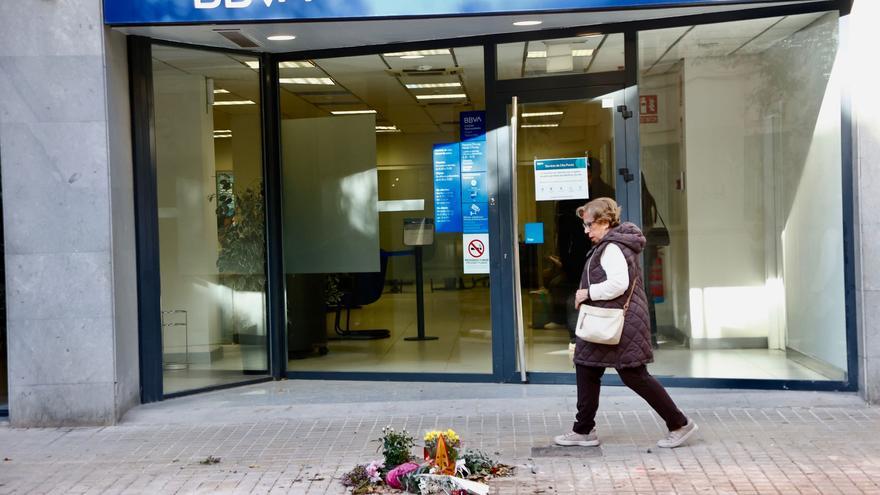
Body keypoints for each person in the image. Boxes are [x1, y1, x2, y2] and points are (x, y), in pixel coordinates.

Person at [553, 197, 697, 449]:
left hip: (619, 323)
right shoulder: (610, 244)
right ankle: (583, 429)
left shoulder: (612, 248)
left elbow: (618, 284)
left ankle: (680, 424)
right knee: (586, 368)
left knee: (634, 375)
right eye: (585, 226)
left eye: (589, 225)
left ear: (605, 221)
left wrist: (588, 293)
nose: (586, 231)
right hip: (609, 322)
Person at [553, 159, 615, 342]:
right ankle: (578, 335)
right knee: (577, 292)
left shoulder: (605, 194)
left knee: (586, 292)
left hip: (594, 251)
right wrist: (563, 256)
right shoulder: (604, 194)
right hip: (578, 254)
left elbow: (562, 232)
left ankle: (588, 333)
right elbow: (562, 232)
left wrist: (564, 255)